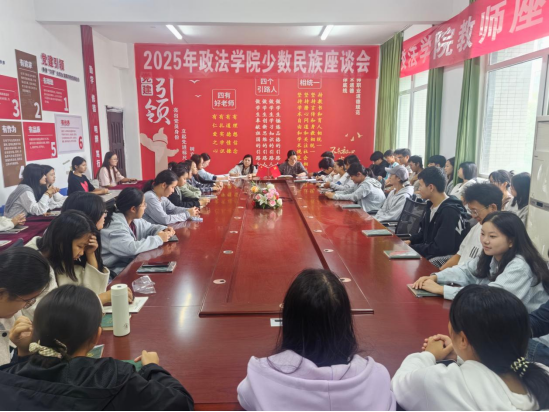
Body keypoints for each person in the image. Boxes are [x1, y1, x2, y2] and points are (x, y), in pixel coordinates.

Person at [0, 285, 195, 410]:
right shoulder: (113, 378)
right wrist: (153, 368)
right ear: (96, 336)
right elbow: (181, 403)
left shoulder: (7, 375)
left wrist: (23, 355)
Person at [237, 269, 396, 411]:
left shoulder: (260, 377)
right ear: (345, 321)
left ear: (290, 320)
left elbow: (245, 398)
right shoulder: (378, 377)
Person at [392, 285, 549, 411]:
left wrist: (429, 354)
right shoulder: (541, 373)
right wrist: (464, 354)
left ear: (463, 339)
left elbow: (399, 385)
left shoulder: (447, 382)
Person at [412, 213, 549, 345]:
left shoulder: (520, 266)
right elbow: (466, 270)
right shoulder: (492, 254)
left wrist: (442, 290)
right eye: (483, 234)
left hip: (530, 338)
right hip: (498, 324)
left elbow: (491, 299)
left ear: (511, 241)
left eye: (492, 236)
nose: (485, 240)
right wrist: (436, 277)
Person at [24, 211, 115, 317]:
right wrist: (101, 299)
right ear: (61, 240)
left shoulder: (59, 255)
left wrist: (90, 254)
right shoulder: (31, 264)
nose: (82, 253)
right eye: (80, 246)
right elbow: (48, 314)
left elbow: (92, 292)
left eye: (85, 248)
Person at [102, 188, 175, 274]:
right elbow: (131, 248)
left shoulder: (133, 218)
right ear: (133, 209)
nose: (145, 207)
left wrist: (163, 229)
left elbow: (149, 228)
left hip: (131, 263)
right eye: (143, 204)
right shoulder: (115, 226)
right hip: (116, 271)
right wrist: (159, 239)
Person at [0, 248, 51, 366]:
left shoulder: (10, 314)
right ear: (1, 294)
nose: (25, 306)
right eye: (27, 301)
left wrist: (23, 350)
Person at [406, 167, 468, 260]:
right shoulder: (431, 205)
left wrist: (412, 248)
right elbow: (424, 233)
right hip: (428, 253)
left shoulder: (449, 212)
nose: (419, 189)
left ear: (431, 187)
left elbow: (440, 248)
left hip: (439, 260)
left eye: (421, 185)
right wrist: (410, 241)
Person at [438, 184, 503, 270]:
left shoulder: (501, 236)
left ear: (493, 208)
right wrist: (438, 274)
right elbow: (459, 255)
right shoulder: (477, 227)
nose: (473, 216)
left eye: (475, 211)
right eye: (471, 211)